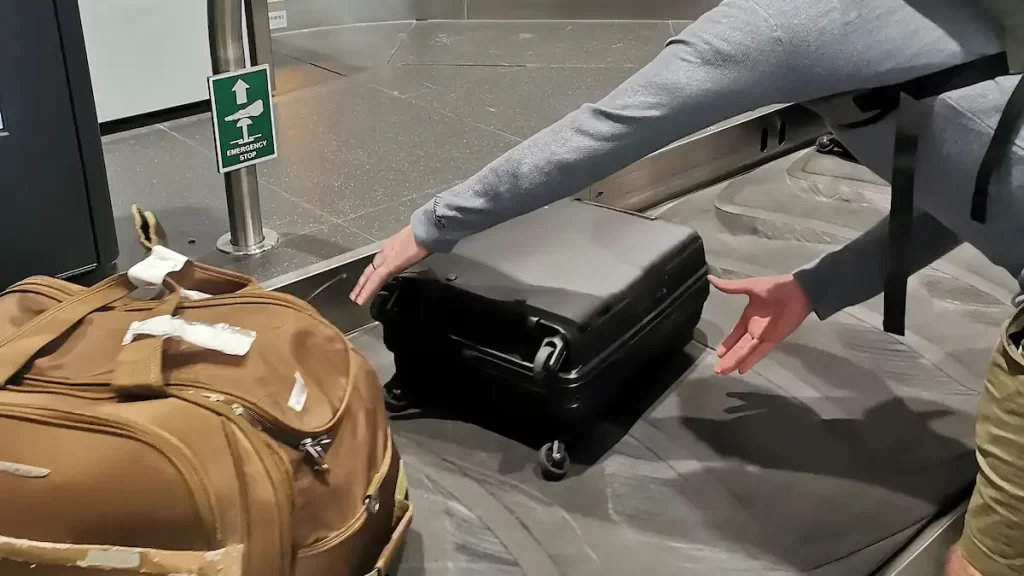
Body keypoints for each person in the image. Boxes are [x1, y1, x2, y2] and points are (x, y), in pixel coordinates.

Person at [349, 0, 1022, 573]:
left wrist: (435, 224)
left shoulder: (780, 23)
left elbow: (607, 131)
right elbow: (978, 193)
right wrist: (819, 285)